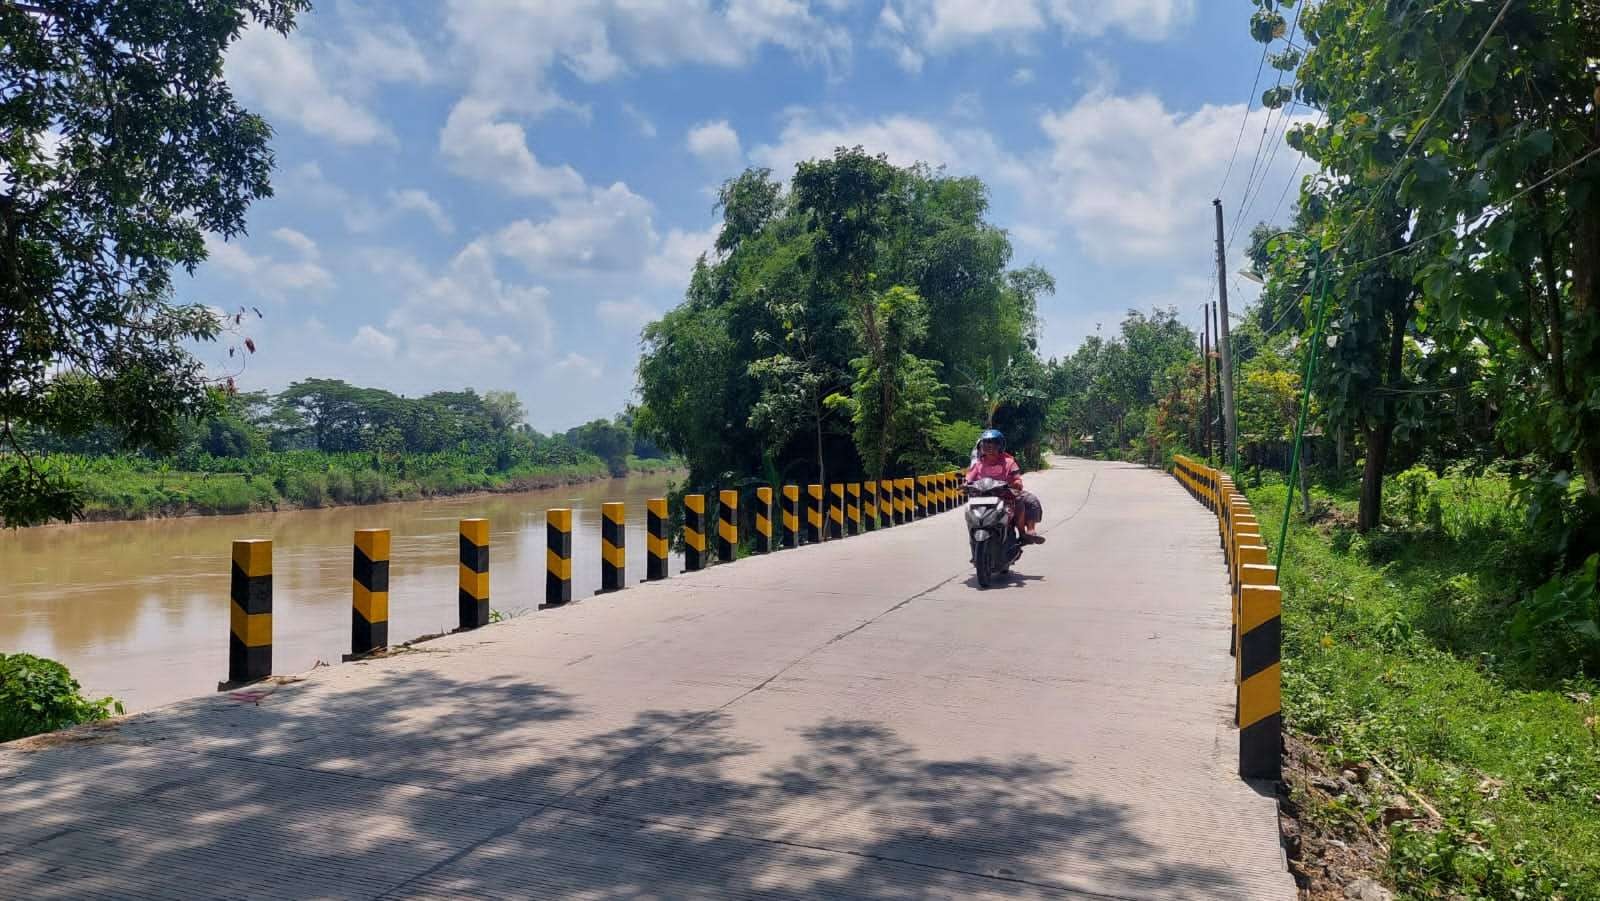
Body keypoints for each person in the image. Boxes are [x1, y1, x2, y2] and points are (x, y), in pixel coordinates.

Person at [965, 429, 1044, 544]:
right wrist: (965, 484)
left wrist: (1016, 483)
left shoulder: (1009, 462)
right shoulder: (978, 464)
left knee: (1028, 501)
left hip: (1006, 494)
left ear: (1000, 445)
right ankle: (974, 536)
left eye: (993, 443)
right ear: (981, 446)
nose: (989, 447)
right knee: (969, 509)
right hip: (982, 496)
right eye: (986, 443)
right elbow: (969, 477)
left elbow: (1016, 477)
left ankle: (1025, 532)